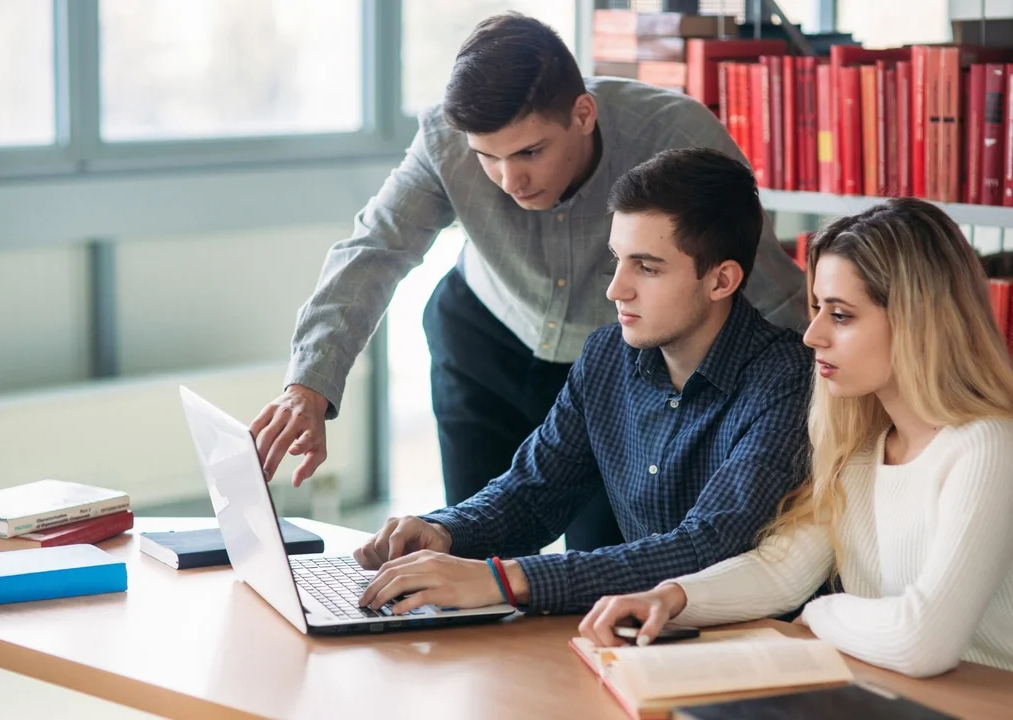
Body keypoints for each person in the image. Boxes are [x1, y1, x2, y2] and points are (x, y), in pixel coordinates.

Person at [249, 13, 807, 552]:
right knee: (464, 542)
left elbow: (760, 281)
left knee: (602, 561)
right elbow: (375, 249)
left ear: (583, 113)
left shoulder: (676, 135)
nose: (509, 180)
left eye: (530, 152)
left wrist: (826, 404)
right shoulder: (445, 140)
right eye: (487, 158)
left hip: (611, 370)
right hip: (483, 344)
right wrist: (309, 385)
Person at [350, 147, 813, 617]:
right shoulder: (607, 356)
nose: (616, 288)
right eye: (617, 259)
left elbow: (705, 549)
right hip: (643, 639)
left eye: (647, 267)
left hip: (755, 649)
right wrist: (444, 531)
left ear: (721, 281)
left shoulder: (788, 382)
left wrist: (504, 580)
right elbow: (533, 493)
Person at [578, 198, 1013, 677]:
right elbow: (782, 571)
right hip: (895, 698)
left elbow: (922, 642)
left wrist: (822, 612)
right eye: (816, 309)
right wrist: (669, 598)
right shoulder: (863, 448)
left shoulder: (987, 445)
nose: (812, 335)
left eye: (842, 316)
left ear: (920, 322)